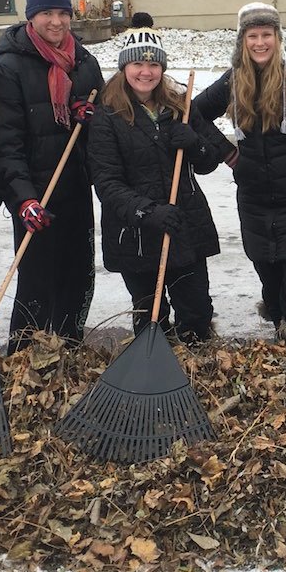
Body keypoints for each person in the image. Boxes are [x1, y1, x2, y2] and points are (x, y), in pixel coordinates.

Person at [193, 3, 286, 345]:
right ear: (243, 41)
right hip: (255, 197)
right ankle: (284, 332)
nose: (260, 42)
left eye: (266, 34)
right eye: (252, 36)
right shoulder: (233, 79)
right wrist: (226, 152)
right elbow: (193, 112)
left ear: (277, 37)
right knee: (270, 279)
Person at [88, 28, 231, 344]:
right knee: (150, 315)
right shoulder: (106, 117)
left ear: (162, 69)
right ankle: (154, 373)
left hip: (186, 225)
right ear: (125, 67)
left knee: (196, 312)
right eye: (138, 64)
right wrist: (147, 212)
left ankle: (197, 372)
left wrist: (196, 144)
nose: (146, 72)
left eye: (154, 65)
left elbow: (208, 162)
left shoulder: (179, 107)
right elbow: (107, 183)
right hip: (136, 234)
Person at [0, 0, 105, 351]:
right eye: (46, 13)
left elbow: (104, 133)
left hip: (75, 191)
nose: (56, 21)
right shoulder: (8, 69)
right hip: (35, 199)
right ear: (31, 17)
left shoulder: (85, 64)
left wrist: (89, 119)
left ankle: (69, 350)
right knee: (36, 283)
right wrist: (23, 199)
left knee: (76, 277)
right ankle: (23, 359)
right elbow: (6, 144)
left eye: (63, 12)